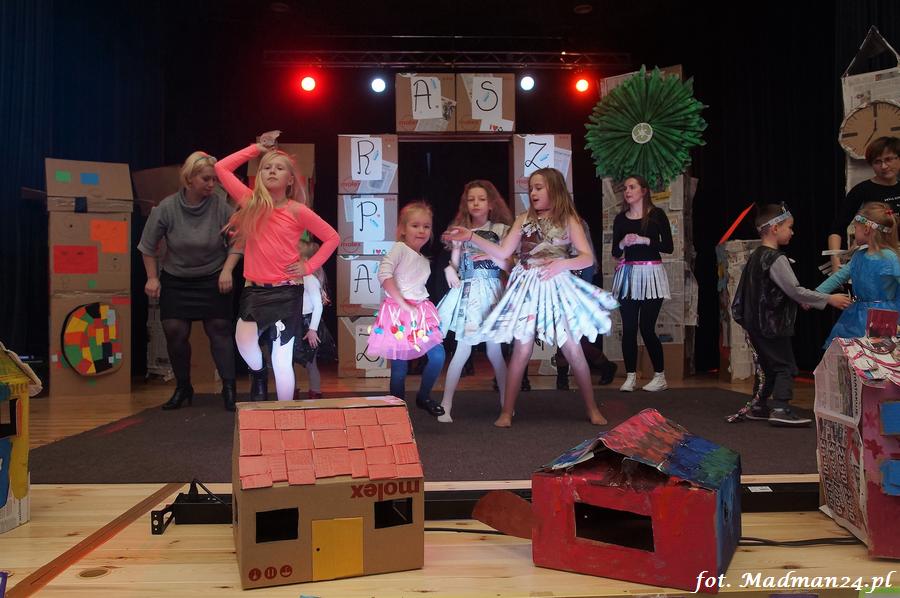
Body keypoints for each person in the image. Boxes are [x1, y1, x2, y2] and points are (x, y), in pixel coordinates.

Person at [443, 167, 619, 428]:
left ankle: (592, 408)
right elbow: (504, 252)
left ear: (554, 190)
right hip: (527, 286)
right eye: (531, 188)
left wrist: (562, 264)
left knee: (572, 348)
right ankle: (507, 411)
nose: (533, 193)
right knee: (522, 349)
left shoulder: (568, 219)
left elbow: (586, 257)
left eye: (539, 188)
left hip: (557, 286)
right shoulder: (523, 219)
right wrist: (471, 236)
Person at [215, 131, 339, 402]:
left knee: (282, 359)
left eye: (279, 168)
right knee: (244, 340)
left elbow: (332, 237)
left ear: (290, 180)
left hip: (286, 291)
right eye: (266, 167)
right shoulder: (250, 202)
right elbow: (221, 168)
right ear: (259, 175)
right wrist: (256, 149)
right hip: (255, 290)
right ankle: (258, 372)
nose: (272, 171)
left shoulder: (297, 210)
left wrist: (309, 266)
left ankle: (286, 413)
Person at [138, 151, 242, 411]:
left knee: (219, 328)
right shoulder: (167, 208)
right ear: (189, 180)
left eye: (215, 179)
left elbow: (238, 242)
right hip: (177, 279)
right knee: (174, 331)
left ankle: (229, 388)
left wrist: (227, 270)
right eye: (206, 179)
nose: (212, 184)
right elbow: (147, 246)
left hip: (213, 276)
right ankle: (183, 387)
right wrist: (152, 278)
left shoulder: (220, 207)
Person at [731, 203, 850, 426]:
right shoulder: (775, 258)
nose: (792, 232)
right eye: (789, 227)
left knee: (767, 366)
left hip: (756, 324)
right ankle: (781, 408)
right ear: (775, 228)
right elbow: (794, 290)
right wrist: (829, 298)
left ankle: (759, 406)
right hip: (772, 324)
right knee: (785, 366)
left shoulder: (756, 256)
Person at [435, 180, 513, 423]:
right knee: (462, 349)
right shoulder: (460, 231)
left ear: (491, 204)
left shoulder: (501, 230)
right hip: (469, 292)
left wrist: (491, 254)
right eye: (471, 199)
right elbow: (455, 261)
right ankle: (446, 405)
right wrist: (450, 269)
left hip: (493, 293)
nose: (476, 203)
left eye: (481, 199)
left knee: (495, 352)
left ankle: (506, 405)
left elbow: (509, 264)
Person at [366, 201, 446, 417]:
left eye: (426, 226)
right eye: (415, 225)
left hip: (420, 313)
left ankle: (423, 396)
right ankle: (397, 408)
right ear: (402, 229)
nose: (421, 231)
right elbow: (384, 274)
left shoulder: (424, 259)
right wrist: (402, 303)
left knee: (438, 355)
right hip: (398, 314)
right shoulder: (399, 249)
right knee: (399, 366)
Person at [611, 175, 673, 392]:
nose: (627, 191)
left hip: (651, 275)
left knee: (647, 328)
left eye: (632, 187)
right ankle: (630, 376)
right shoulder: (620, 219)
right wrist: (622, 242)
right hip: (628, 275)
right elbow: (615, 252)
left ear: (643, 191)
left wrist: (644, 240)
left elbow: (668, 247)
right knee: (628, 328)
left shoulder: (656, 215)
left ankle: (660, 376)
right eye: (625, 188)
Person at [817, 202, 900, 348]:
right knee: (853, 351)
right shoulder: (858, 256)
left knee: (876, 354)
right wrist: (815, 294)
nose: (854, 232)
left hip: (883, 317)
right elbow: (839, 277)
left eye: (855, 227)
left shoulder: (890, 258)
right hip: (858, 314)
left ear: (866, 229)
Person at [555, 217, 618, 389]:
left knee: (574, 338)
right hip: (558, 290)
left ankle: (603, 367)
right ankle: (563, 377)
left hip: (577, 294)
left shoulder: (577, 225)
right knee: (563, 336)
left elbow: (588, 271)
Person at [828, 137, 900, 273]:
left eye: (889, 159)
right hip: (873, 262)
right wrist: (835, 263)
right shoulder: (861, 191)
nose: (884, 166)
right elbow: (837, 229)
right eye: (877, 162)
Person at [293, 239, 336, 400]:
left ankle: (315, 392)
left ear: (304, 260)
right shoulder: (292, 278)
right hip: (294, 323)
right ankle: (291, 391)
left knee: (311, 362)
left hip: (308, 324)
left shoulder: (309, 279)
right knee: (288, 361)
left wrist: (312, 329)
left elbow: (318, 306)